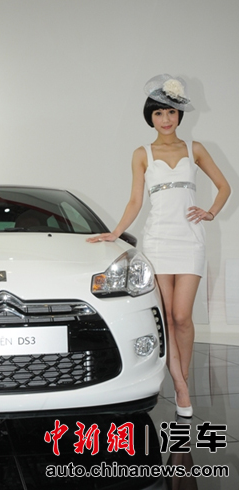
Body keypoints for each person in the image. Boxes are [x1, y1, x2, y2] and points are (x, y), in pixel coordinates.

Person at [87, 74, 231, 417]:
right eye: (158, 113)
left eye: (170, 112)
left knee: (182, 316)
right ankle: (181, 387)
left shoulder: (195, 149)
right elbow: (135, 201)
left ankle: (182, 376)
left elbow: (224, 186)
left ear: (179, 115)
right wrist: (115, 232)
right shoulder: (142, 154)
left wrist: (210, 212)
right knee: (166, 317)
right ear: (150, 117)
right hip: (158, 240)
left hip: (190, 239)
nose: (165, 119)